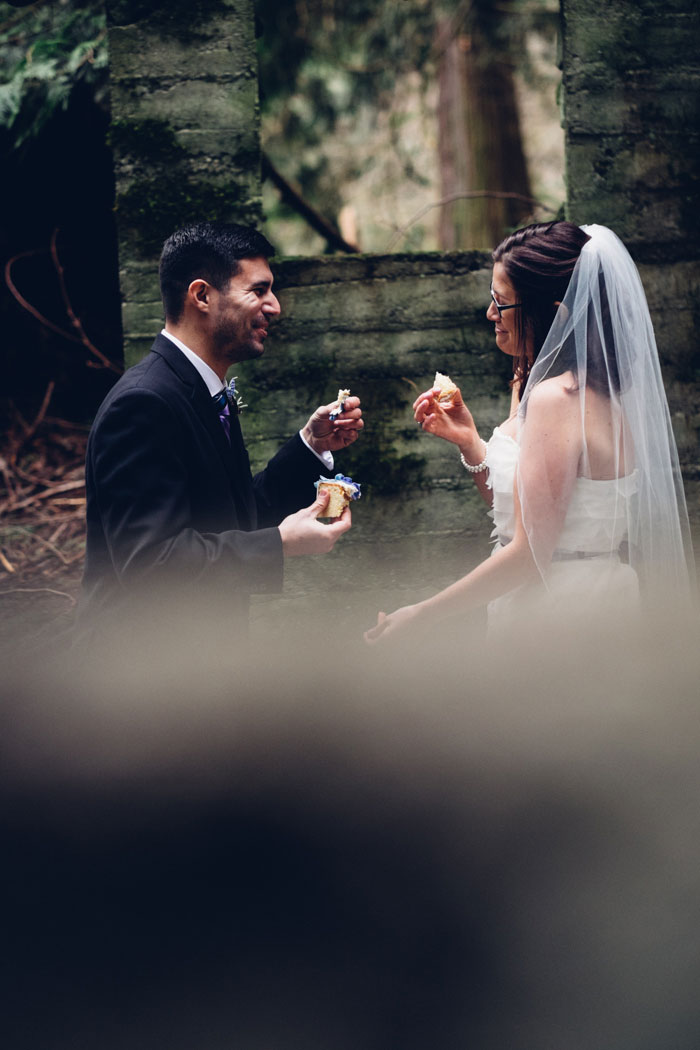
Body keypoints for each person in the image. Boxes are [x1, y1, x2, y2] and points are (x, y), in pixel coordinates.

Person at [365, 221, 694, 645]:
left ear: (555, 313)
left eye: (501, 304)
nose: (490, 315)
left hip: (564, 613)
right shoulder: (546, 383)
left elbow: (529, 556)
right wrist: (470, 443)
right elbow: (518, 514)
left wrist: (423, 613)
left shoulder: (556, 400)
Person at [78, 222, 363, 653]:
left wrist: (311, 445)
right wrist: (280, 545)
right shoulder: (142, 404)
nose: (276, 306)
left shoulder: (202, 390)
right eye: (259, 290)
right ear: (202, 296)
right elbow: (151, 564)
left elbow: (229, 519)